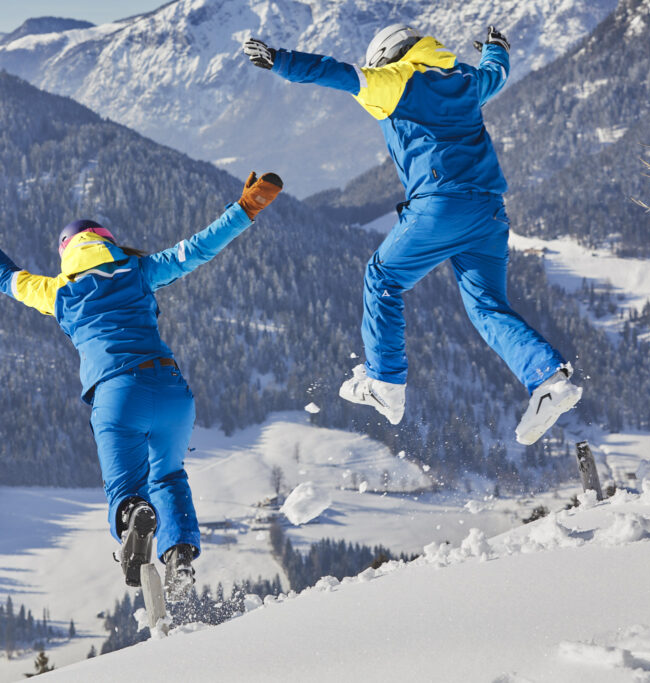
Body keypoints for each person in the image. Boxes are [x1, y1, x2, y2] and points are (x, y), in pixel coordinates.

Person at [0, 172, 283, 599]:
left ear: (67, 256)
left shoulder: (59, 292)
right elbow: (198, 248)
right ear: (108, 244)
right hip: (173, 389)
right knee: (169, 475)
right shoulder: (138, 270)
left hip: (118, 394)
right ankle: (179, 556)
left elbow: (5, 277)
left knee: (126, 489)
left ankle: (132, 517)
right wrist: (245, 209)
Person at [243, 25, 581, 445]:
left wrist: (279, 60)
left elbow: (338, 74)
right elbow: (495, 72)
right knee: (489, 306)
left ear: (387, 56)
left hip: (440, 206)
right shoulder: (464, 79)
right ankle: (549, 381)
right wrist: (497, 47)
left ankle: (385, 383)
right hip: (489, 211)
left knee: (381, 278)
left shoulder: (395, 80)